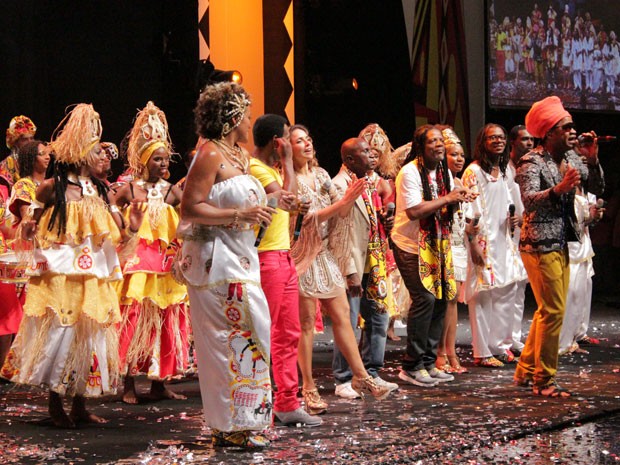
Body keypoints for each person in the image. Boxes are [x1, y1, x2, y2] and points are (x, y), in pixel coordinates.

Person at [1, 103, 145, 427]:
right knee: (61, 334)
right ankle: (55, 403)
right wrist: (27, 225)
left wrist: (133, 226)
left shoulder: (100, 190)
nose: (103, 158)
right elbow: (27, 223)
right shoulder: (52, 188)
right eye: (96, 153)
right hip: (61, 275)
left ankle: (80, 404)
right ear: (80, 153)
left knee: (89, 335)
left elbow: (118, 233)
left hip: (91, 276)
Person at [178, 82, 276, 448]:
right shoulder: (208, 155)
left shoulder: (239, 156)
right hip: (215, 265)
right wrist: (239, 214)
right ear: (234, 117)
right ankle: (230, 426)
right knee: (225, 342)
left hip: (241, 257)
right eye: (247, 114)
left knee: (252, 335)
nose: (251, 120)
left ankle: (245, 420)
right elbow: (190, 207)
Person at [289, 124, 391, 413]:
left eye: (308, 139)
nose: (307, 144)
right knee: (306, 322)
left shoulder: (321, 176)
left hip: (324, 255)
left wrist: (353, 197)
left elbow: (341, 212)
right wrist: (344, 201)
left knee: (343, 315)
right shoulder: (289, 181)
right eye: (299, 141)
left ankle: (362, 377)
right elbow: (308, 219)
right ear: (288, 148)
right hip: (301, 255)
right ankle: (307, 386)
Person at [514, 95, 604, 397]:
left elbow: (596, 186)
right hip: (538, 243)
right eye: (565, 127)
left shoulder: (572, 157)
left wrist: (592, 159)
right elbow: (528, 201)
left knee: (548, 310)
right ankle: (545, 380)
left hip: (563, 240)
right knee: (553, 311)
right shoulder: (531, 161)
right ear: (549, 131)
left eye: (572, 127)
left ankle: (526, 371)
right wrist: (559, 189)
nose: (572, 132)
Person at [112, 101, 189, 404]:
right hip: (139, 264)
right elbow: (112, 217)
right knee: (134, 318)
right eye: (157, 159)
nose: (164, 163)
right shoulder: (130, 190)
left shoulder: (172, 191)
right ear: (145, 162)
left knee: (167, 319)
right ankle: (128, 383)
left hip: (166, 264)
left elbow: (189, 219)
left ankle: (159, 382)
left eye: (166, 158)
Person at [248, 114, 321, 427]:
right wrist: (289, 162)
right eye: (288, 138)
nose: (291, 144)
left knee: (288, 332)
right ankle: (268, 401)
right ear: (277, 141)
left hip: (282, 256)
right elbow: (288, 200)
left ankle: (287, 402)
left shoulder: (267, 169)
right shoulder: (255, 168)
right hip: (267, 258)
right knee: (274, 333)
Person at [391, 124, 473, 387]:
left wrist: (460, 198)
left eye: (441, 141)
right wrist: (449, 198)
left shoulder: (443, 172)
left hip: (437, 243)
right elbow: (415, 211)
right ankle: (411, 365)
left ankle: (427, 362)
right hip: (410, 245)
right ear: (421, 147)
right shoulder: (409, 173)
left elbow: (445, 206)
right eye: (433, 142)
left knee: (442, 297)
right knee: (424, 298)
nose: (439, 146)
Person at [331, 137, 399, 399]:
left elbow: (374, 217)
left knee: (379, 318)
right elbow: (341, 233)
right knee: (347, 321)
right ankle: (344, 378)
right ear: (349, 159)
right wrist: (350, 272)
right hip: (354, 263)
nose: (372, 155)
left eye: (372, 151)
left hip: (376, 259)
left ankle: (371, 372)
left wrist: (386, 219)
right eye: (365, 152)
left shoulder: (372, 182)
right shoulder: (339, 186)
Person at [461, 124, 528, 368]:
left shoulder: (505, 170)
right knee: (482, 295)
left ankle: (499, 345)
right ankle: (482, 351)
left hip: (505, 241)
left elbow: (510, 201)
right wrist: (473, 244)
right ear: (483, 142)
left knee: (506, 291)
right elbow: (470, 209)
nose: (498, 141)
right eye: (492, 138)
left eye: (501, 137)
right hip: (483, 242)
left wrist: (516, 219)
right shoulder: (474, 171)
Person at [435, 127, 468, 374]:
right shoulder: (440, 181)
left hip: (458, 244)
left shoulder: (458, 181)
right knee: (445, 300)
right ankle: (440, 352)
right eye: (453, 154)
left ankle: (450, 349)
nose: (459, 159)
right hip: (442, 243)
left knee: (453, 301)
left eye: (461, 155)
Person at [559, 185, 603, 355]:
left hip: (583, 245)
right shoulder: (565, 186)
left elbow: (586, 219)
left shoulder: (585, 186)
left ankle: (572, 338)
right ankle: (561, 342)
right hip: (569, 247)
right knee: (569, 293)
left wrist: (594, 216)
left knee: (580, 293)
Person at [507, 125, 535, 356]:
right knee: (508, 288)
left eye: (532, 139)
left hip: (526, 234)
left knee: (520, 289)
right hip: (507, 235)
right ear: (513, 142)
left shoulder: (532, 167)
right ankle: (503, 338)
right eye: (524, 139)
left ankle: (514, 337)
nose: (529, 143)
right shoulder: (505, 169)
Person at [1, 115, 37, 185]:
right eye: (24, 139)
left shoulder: (39, 160)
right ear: (15, 142)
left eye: (32, 138)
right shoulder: (8, 164)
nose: (30, 142)